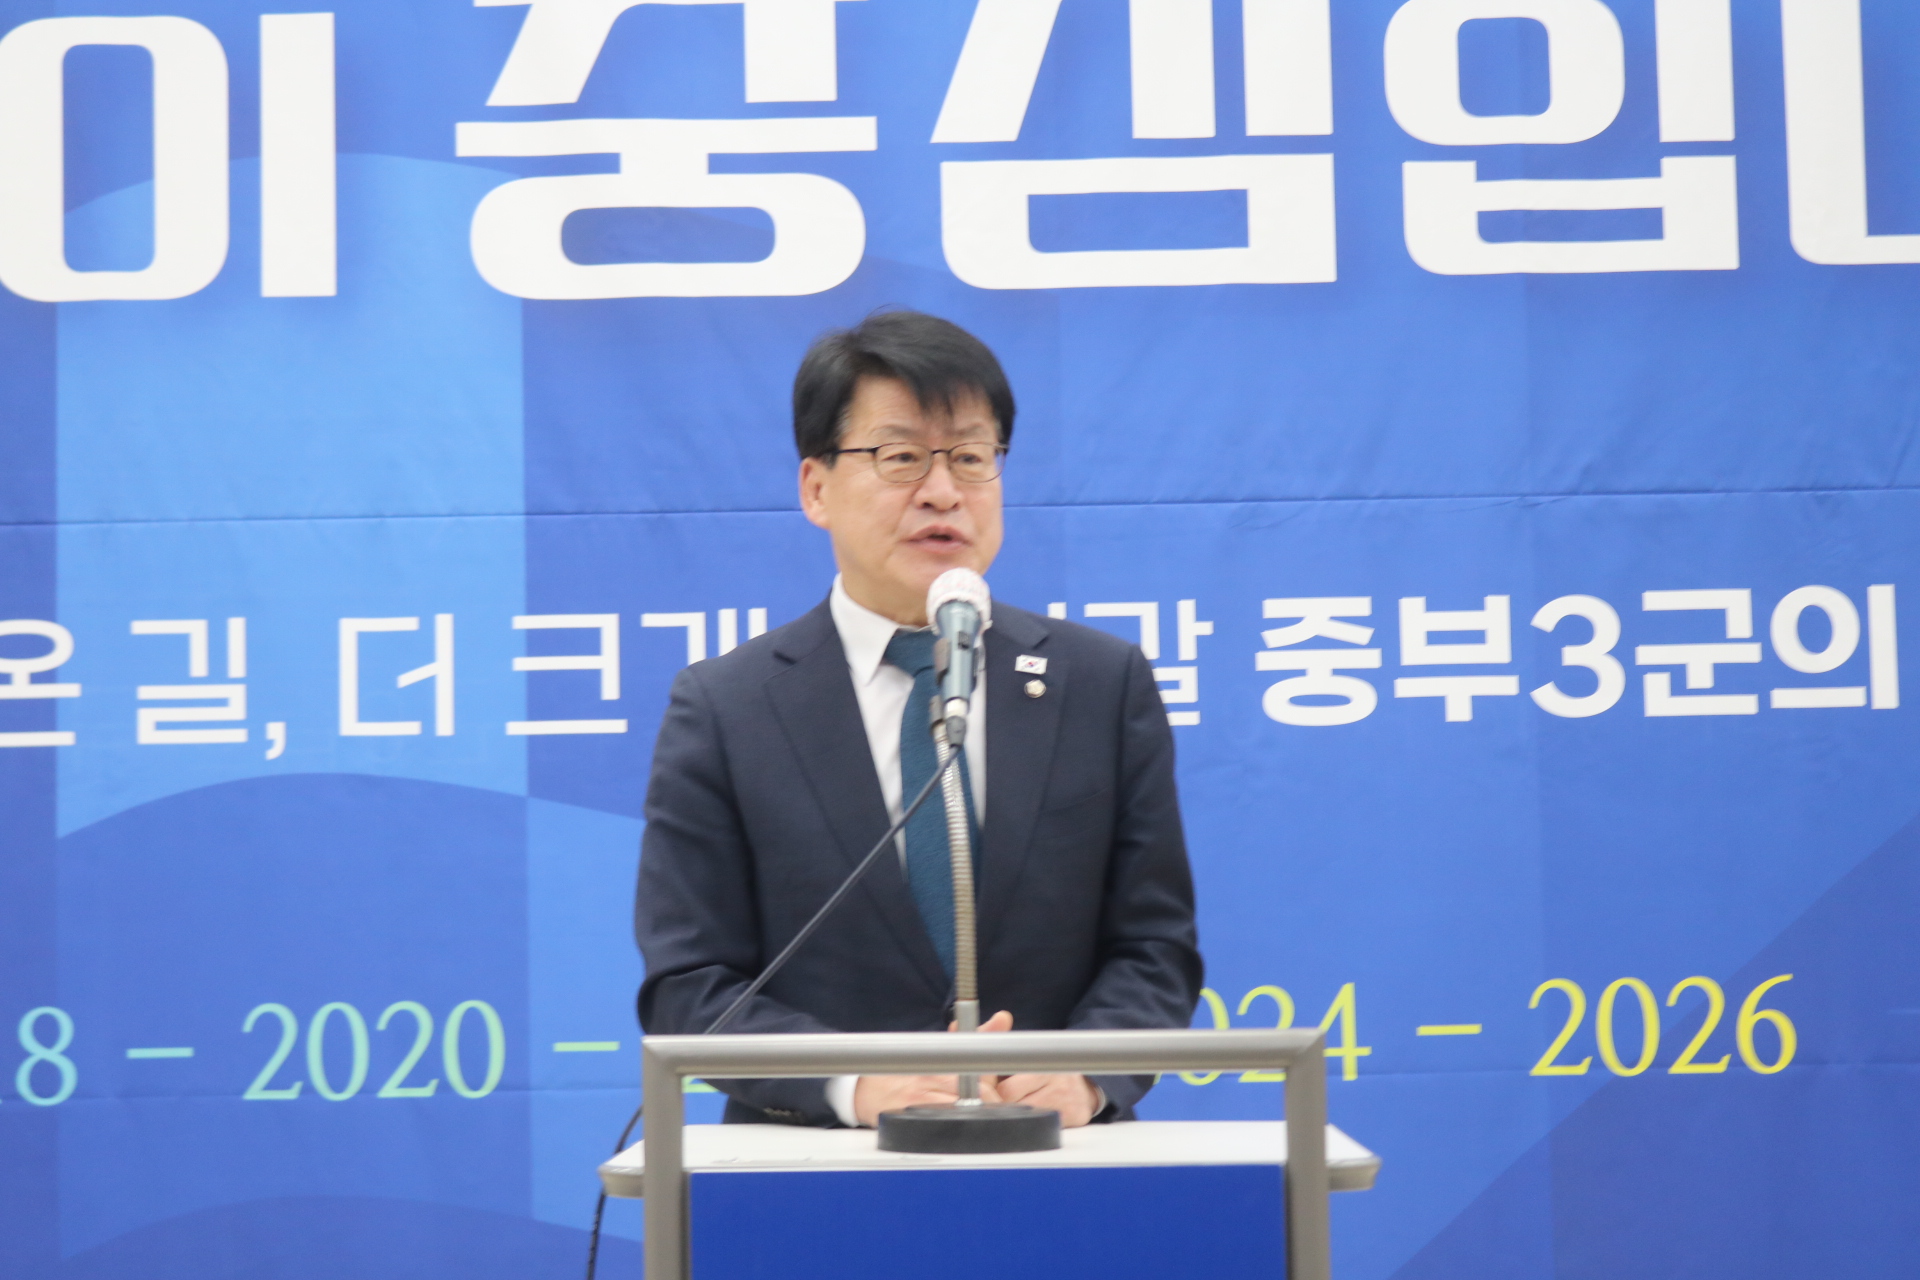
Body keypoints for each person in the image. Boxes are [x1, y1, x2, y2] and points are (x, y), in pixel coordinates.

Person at [634, 310, 1202, 1128]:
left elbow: (1155, 947)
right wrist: (855, 1085)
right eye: (900, 457)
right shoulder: (727, 707)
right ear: (816, 488)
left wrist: (1085, 1071)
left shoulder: (1100, 684)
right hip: (811, 1167)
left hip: (1056, 1155)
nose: (943, 491)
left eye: (971, 457)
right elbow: (690, 983)